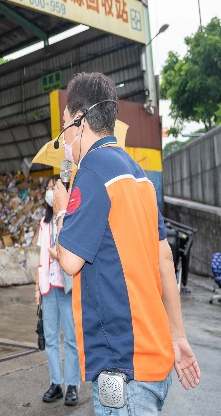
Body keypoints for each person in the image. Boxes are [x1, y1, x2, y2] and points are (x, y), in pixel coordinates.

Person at [52, 72, 201, 415]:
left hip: (123, 367)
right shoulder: (139, 176)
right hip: (155, 359)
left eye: (65, 126)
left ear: (81, 120)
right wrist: (178, 338)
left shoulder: (90, 172)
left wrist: (61, 212)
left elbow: (70, 261)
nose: (64, 138)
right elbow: (166, 260)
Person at [35, 176, 80, 406]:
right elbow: (41, 256)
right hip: (48, 286)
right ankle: (56, 384)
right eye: (48, 187)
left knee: (71, 338)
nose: (51, 191)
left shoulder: (70, 218)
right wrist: (36, 288)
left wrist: (58, 254)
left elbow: (71, 252)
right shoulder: (44, 222)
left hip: (66, 286)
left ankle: (73, 385)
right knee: (51, 338)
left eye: (55, 187)